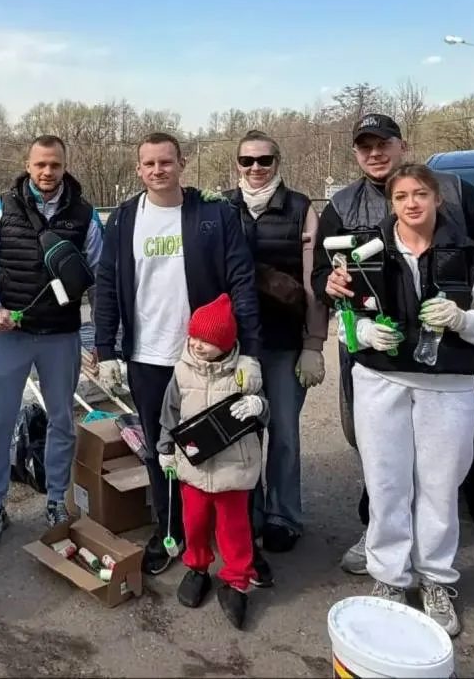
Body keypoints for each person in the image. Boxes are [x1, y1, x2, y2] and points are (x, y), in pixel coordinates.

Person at [313, 113, 474, 627]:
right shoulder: (343, 205)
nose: (375, 153)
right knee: (384, 471)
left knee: (471, 469)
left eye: (384, 143)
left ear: (403, 146)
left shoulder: (456, 194)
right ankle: (387, 560)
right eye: (365, 146)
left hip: (452, 370)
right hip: (381, 366)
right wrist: (331, 289)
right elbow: (327, 275)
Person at [340, 163, 474, 636]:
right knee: (386, 485)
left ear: (437, 199)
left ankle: (436, 579)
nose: (411, 203)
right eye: (401, 197)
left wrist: (464, 320)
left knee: (439, 488)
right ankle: (389, 578)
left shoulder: (470, 254)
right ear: (391, 204)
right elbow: (345, 321)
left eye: (420, 194)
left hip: (449, 388)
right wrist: (363, 334)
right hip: (381, 383)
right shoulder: (366, 253)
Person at [91, 132, 265, 577]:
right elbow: (106, 284)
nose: (158, 170)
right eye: (149, 163)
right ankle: (171, 529)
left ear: (181, 163)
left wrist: (249, 353)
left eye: (166, 161)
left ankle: (243, 542)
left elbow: (241, 282)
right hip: (148, 357)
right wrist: (106, 348)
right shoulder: (124, 219)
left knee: (232, 447)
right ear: (138, 169)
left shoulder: (212, 214)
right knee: (161, 451)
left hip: (209, 359)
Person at [0, 135, 103, 549]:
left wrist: (99, 334)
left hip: (61, 336)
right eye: (40, 164)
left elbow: (101, 278)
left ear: (65, 166)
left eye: (55, 165)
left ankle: (57, 500)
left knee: (62, 420)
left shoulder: (85, 215)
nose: (47, 172)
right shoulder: (1, 208)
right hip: (11, 334)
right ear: (28, 165)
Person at [223, 130, 327, 553]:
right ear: (237, 164)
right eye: (247, 160)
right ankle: (248, 513)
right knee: (242, 432)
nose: (255, 168)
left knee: (284, 433)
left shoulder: (300, 208)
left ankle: (284, 515)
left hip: (284, 341)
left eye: (264, 160)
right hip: (236, 344)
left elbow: (314, 279)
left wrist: (314, 343)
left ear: (277, 162)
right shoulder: (222, 207)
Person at [155, 293, 269, 630]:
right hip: (194, 467)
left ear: (226, 342)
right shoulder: (181, 372)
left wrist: (259, 407)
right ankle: (197, 567)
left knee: (234, 529)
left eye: (206, 340)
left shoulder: (245, 374)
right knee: (195, 523)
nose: (197, 345)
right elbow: (169, 414)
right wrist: (165, 449)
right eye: (194, 337)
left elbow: (265, 412)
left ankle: (237, 579)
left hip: (234, 469)